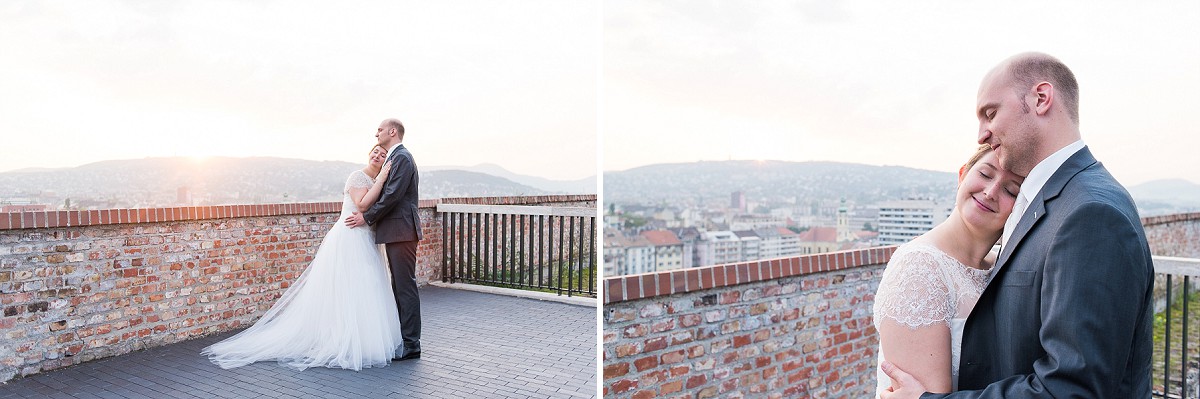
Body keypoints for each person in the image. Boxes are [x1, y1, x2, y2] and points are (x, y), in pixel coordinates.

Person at [881, 52, 1154, 398]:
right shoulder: (1058, 200)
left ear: (1041, 98)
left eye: (990, 113)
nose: (982, 134)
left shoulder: (1090, 213)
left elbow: (1072, 389)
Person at [203, 145, 403, 370]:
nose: (378, 155)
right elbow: (362, 204)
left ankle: (366, 338)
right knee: (347, 288)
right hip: (350, 238)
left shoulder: (380, 182)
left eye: (383, 154)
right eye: (375, 152)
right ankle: (341, 338)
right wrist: (383, 176)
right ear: (369, 155)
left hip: (368, 238)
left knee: (368, 287)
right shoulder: (357, 176)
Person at [874, 144, 1023, 396]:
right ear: (962, 174)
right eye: (985, 175)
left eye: (1011, 190)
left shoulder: (1005, 264)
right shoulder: (920, 268)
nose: (990, 192)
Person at [344, 118, 423, 361]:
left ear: (392, 131)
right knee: (399, 285)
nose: (375, 133)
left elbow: (391, 196)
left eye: (379, 130)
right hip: (397, 230)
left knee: (404, 286)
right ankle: (406, 340)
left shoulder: (402, 157)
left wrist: (366, 217)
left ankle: (411, 344)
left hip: (402, 230)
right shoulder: (396, 157)